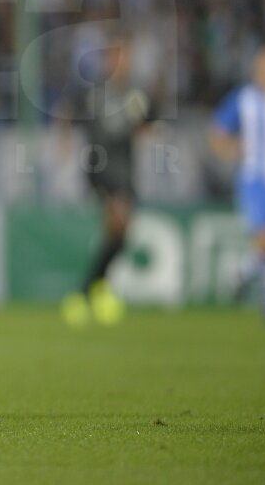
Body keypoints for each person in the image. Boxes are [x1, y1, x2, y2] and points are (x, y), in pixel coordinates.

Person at [56, 35, 154, 327]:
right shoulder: (93, 90)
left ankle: (90, 289)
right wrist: (64, 139)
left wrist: (150, 133)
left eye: (126, 58)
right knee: (119, 222)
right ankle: (91, 290)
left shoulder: (137, 94)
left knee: (119, 234)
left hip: (126, 168)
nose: (121, 63)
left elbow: (147, 125)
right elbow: (67, 110)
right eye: (116, 57)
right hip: (100, 166)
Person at [209, 43, 265, 321]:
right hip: (254, 179)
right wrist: (231, 148)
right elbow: (217, 133)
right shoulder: (244, 98)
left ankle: (244, 275)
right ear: (259, 66)